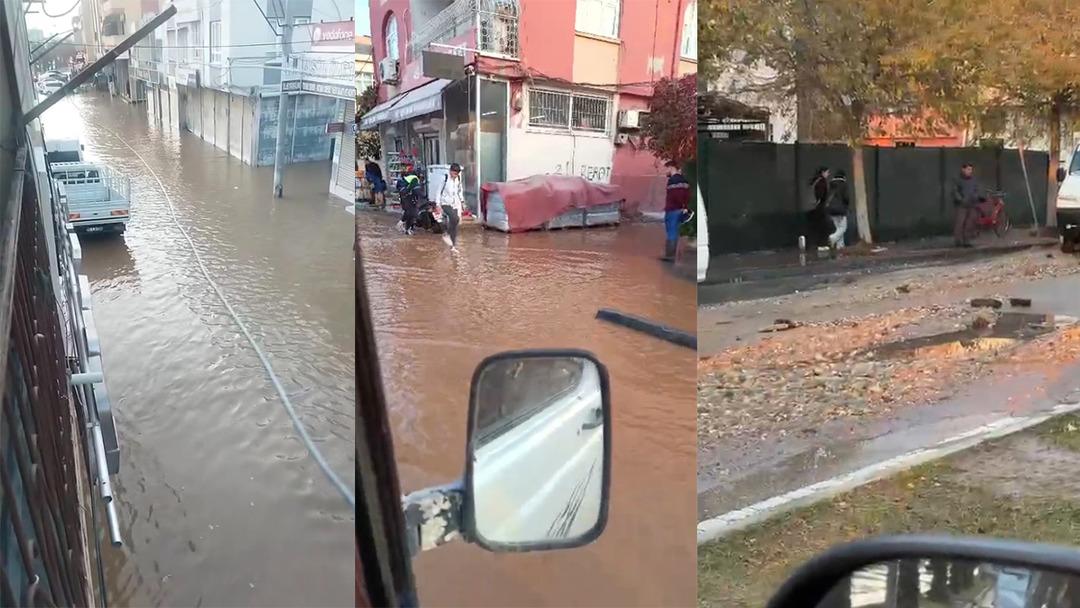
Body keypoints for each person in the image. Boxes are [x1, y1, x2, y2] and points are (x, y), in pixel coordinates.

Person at [663, 161, 691, 261]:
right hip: (678, 209)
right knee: (673, 231)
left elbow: (676, 195)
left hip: (673, 209)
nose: (665, 171)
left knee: (671, 232)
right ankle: (671, 255)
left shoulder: (673, 180)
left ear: (671, 167)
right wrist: (685, 207)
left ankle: (669, 257)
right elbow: (687, 196)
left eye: (666, 168)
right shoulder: (684, 180)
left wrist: (682, 206)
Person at [953, 162, 984, 248]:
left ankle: (966, 241)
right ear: (963, 169)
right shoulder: (958, 179)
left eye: (971, 170)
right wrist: (960, 199)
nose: (970, 171)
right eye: (968, 169)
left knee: (969, 224)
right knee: (960, 223)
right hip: (961, 205)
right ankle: (958, 241)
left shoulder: (973, 180)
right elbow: (955, 191)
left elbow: (976, 190)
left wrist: (976, 197)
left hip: (972, 204)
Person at [438, 163, 466, 251]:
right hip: (445, 203)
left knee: (455, 223)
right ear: (450, 171)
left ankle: (453, 246)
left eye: (457, 174)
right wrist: (437, 204)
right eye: (454, 173)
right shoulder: (444, 178)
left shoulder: (458, 179)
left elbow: (459, 191)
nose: (455, 175)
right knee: (455, 218)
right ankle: (447, 234)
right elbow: (438, 192)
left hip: (454, 203)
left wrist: (462, 202)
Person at [826, 169, 851, 256]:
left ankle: (840, 247)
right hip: (840, 209)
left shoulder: (831, 184)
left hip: (831, 210)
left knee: (838, 228)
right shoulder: (843, 185)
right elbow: (846, 198)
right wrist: (847, 206)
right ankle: (833, 238)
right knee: (843, 228)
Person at [807, 166, 832, 247]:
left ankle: (814, 243)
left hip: (813, 207)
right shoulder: (822, 181)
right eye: (827, 172)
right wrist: (821, 201)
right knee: (823, 226)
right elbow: (821, 195)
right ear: (823, 172)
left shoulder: (816, 180)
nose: (828, 174)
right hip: (819, 207)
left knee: (815, 226)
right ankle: (822, 244)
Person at [396, 163, 421, 235]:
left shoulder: (405, 178)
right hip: (406, 197)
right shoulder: (405, 179)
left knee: (410, 212)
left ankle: (407, 227)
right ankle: (404, 226)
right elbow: (404, 188)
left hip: (409, 197)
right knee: (410, 212)